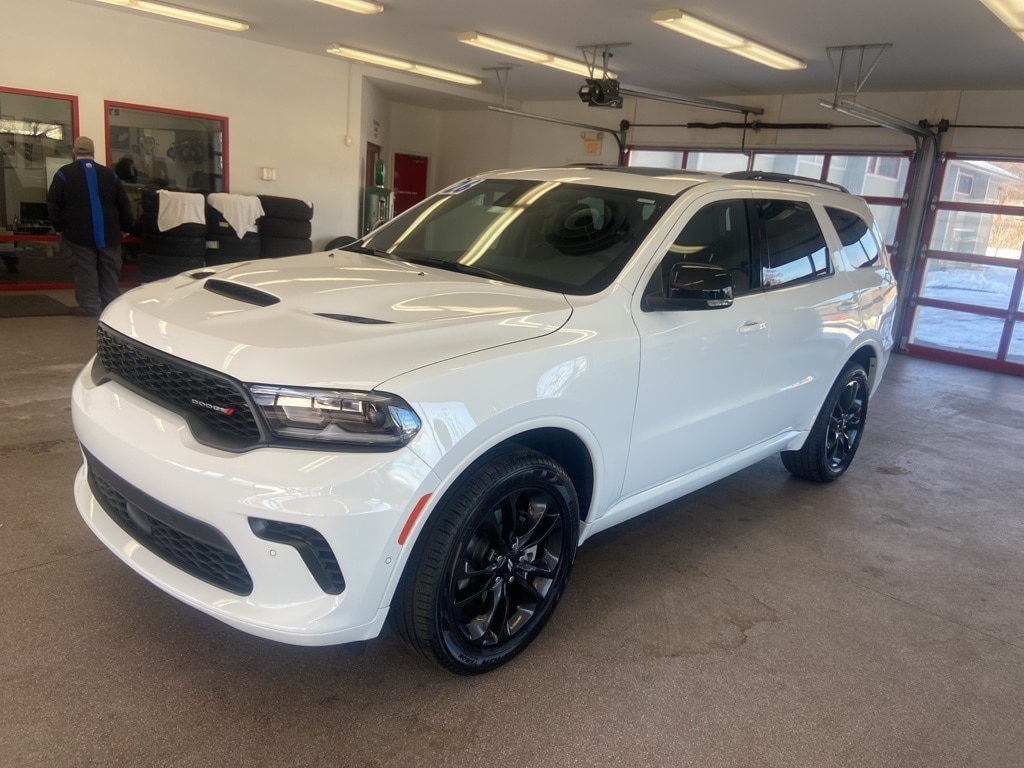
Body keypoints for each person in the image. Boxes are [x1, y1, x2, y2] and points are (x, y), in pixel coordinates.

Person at [47, 136, 134, 317]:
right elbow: (123, 203)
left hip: (77, 233)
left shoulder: (64, 173)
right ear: (93, 152)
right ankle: (110, 305)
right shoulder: (111, 174)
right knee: (109, 269)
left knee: (85, 270)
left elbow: (54, 202)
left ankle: (90, 306)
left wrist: (59, 226)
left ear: (74, 151)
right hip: (109, 233)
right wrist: (126, 226)